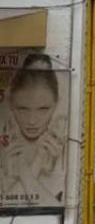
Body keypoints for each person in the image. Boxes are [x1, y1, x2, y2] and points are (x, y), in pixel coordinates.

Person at [0, 52, 66, 206]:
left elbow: (57, 209)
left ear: (56, 103)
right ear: (10, 104)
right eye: (23, 109)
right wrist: (36, 164)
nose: (32, 121)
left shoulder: (66, 143)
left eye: (43, 109)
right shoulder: (7, 143)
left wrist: (27, 166)